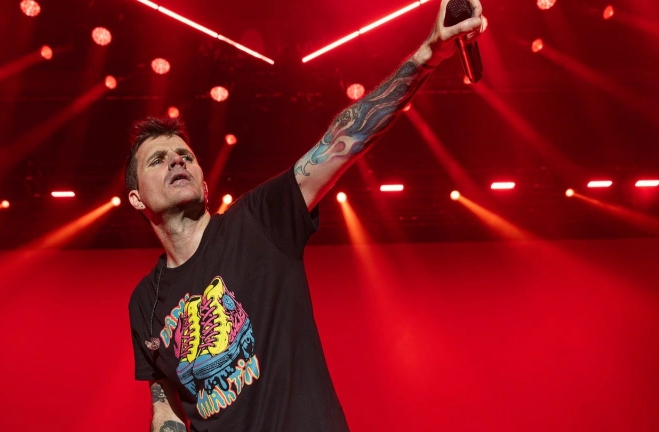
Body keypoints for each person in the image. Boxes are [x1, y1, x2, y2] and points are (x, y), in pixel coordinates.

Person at [127, 1, 487, 430]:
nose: (177, 160)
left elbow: (344, 138)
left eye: (185, 155)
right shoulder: (145, 301)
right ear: (136, 199)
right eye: (158, 160)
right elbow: (165, 401)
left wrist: (428, 53)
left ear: (205, 185)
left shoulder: (257, 222)